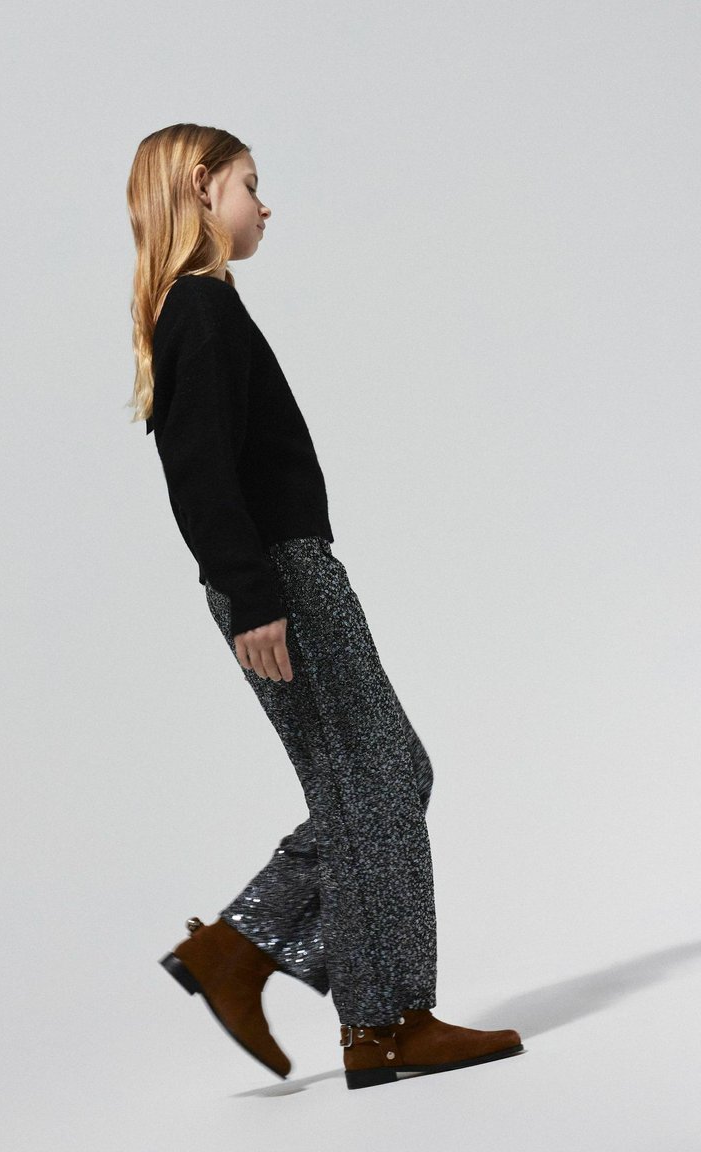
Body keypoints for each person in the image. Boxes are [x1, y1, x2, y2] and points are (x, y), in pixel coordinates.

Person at [125, 123, 523, 1090]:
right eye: (249, 184)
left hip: (280, 572)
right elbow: (197, 471)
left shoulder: (205, 307)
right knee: (381, 776)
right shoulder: (199, 310)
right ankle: (379, 1019)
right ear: (201, 188)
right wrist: (255, 594)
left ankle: (274, 971)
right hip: (280, 577)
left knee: (372, 781)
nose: (265, 204)